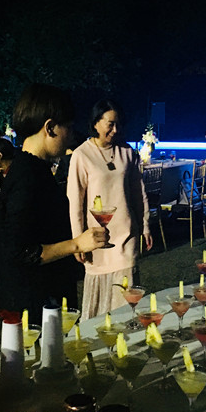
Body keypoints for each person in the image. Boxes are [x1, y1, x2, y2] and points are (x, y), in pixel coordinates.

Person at [0, 83, 107, 322]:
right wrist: (76, 244)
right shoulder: (27, 176)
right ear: (50, 128)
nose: (71, 135)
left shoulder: (33, 169)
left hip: (43, 295)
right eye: (68, 127)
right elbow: (20, 251)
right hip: (35, 303)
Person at [67, 99, 151, 319]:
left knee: (127, 297)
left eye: (118, 124)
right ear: (96, 122)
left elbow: (138, 193)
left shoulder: (127, 152)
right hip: (97, 238)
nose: (115, 130)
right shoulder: (81, 155)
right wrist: (78, 240)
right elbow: (75, 201)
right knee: (100, 299)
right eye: (110, 124)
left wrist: (145, 226)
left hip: (126, 234)